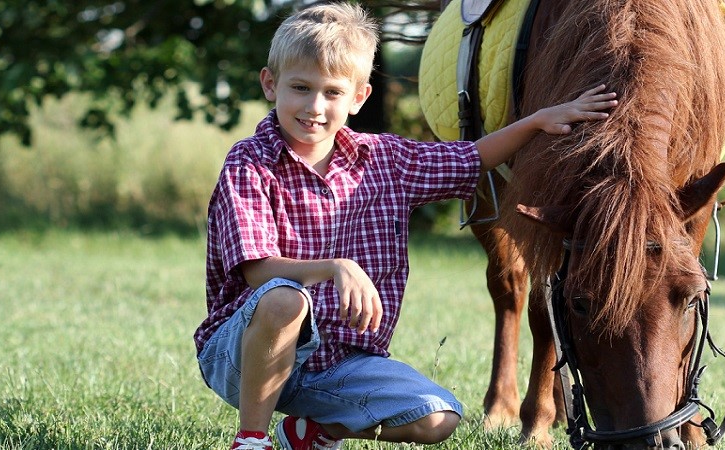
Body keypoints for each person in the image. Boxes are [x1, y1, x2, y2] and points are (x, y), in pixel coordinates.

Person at [193, 3, 617, 450]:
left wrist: (536, 121)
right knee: (284, 299)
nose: (314, 107)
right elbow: (257, 270)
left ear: (359, 98)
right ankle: (251, 439)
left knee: (438, 418)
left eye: (332, 92)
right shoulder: (249, 161)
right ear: (270, 84)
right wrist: (336, 267)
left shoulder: (386, 161)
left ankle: (313, 430)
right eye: (300, 88)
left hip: (339, 364)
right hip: (243, 356)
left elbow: (470, 159)